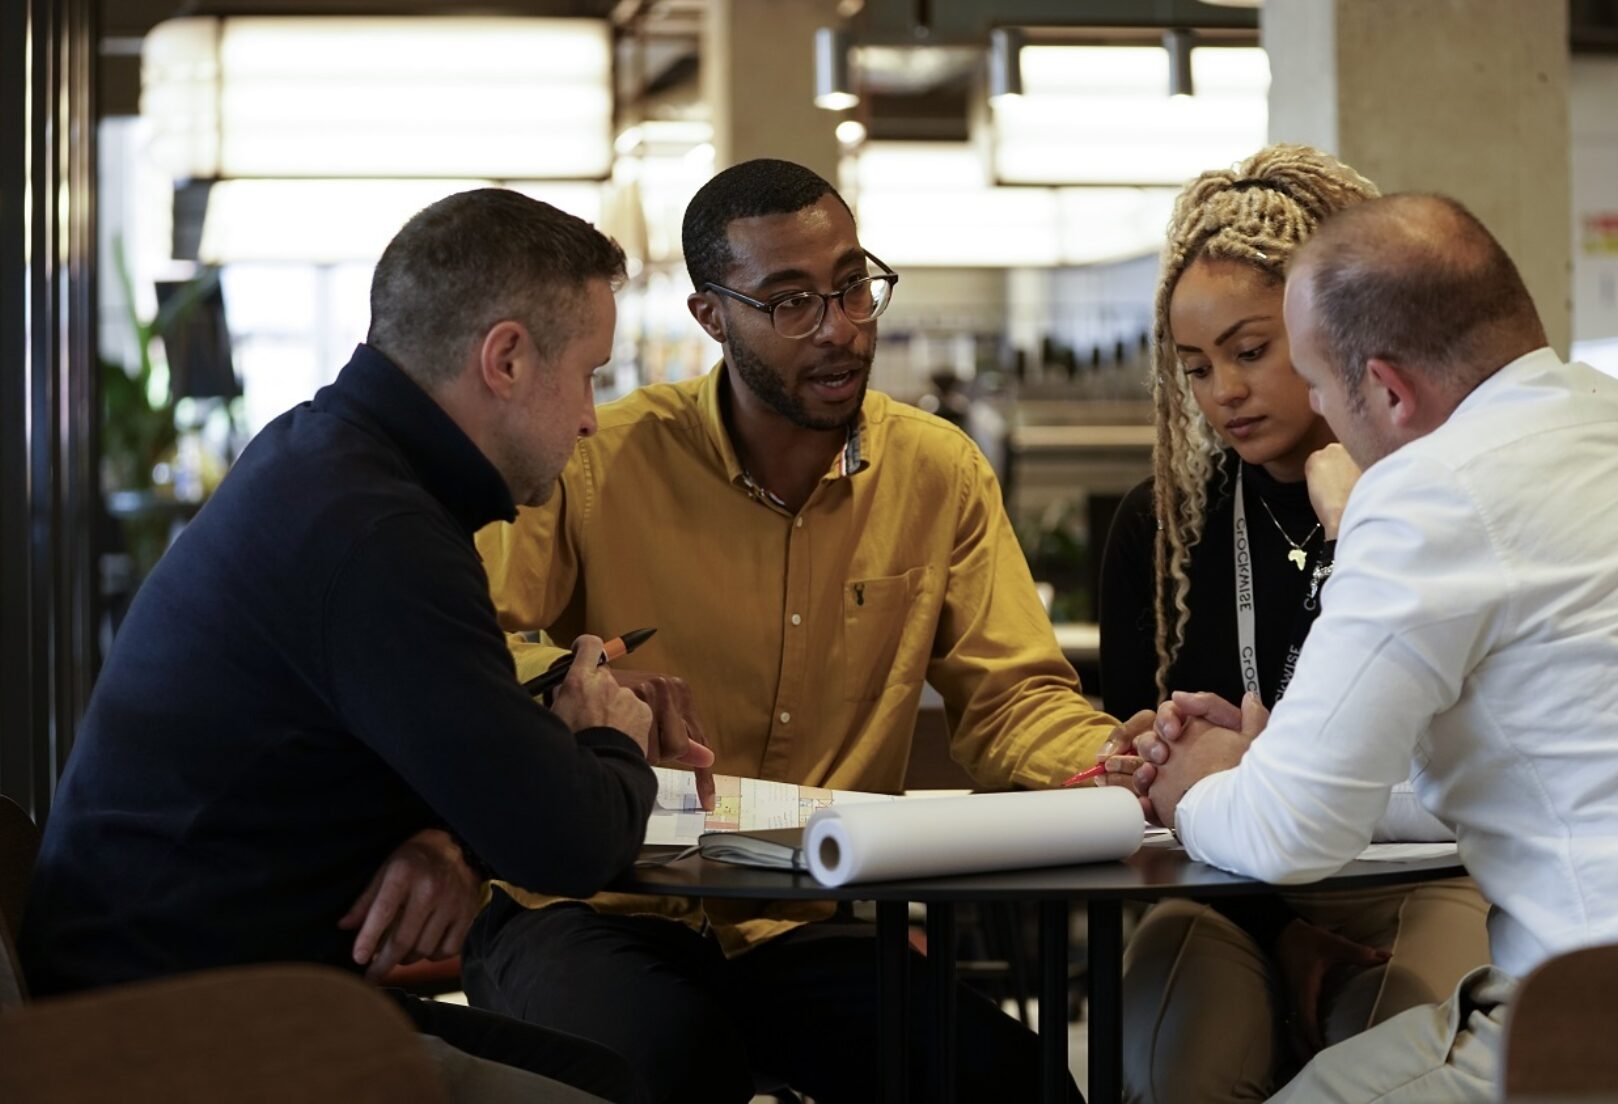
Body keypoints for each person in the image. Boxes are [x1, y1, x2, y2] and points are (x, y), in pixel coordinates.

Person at [22, 189, 712, 1104]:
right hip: (169, 1032)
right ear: (505, 358)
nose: (592, 419)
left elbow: (449, 732)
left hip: (172, 981)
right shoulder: (377, 533)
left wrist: (458, 826)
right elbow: (567, 841)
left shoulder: (327, 457)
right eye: (590, 373)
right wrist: (608, 738)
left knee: (605, 1072)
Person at [467, 158, 1113, 1102]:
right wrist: (583, 678)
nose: (841, 329)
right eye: (791, 302)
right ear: (711, 316)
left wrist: (1115, 762)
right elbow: (477, 650)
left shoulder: (938, 473)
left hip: (798, 923)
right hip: (589, 903)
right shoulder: (598, 459)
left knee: (1015, 1081)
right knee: (668, 1062)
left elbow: (1014, 702)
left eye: (852, 286)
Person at [1127, 193, 1618, 1101]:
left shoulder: (1427, 490)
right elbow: (1517, 774)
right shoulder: (1596, 418)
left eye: (1311, 376)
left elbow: (1288, 834)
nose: (1311, 406)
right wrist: (1265, 763)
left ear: (1388, 388)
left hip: (1582, 1016)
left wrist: (1196, 783)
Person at [1097, 147, 1490, 1102]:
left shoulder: (1437, 502)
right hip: (1228, 889)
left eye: (1250, 350)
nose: (1222, 391)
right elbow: (1149, 787)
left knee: (1392, 1023)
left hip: (1414, 873)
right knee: (1171, 1048)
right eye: (1194, 367)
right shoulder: (1162, 528)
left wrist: (1364, 529)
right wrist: (1143, 760)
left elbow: (1470, 752)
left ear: (1335, 328)